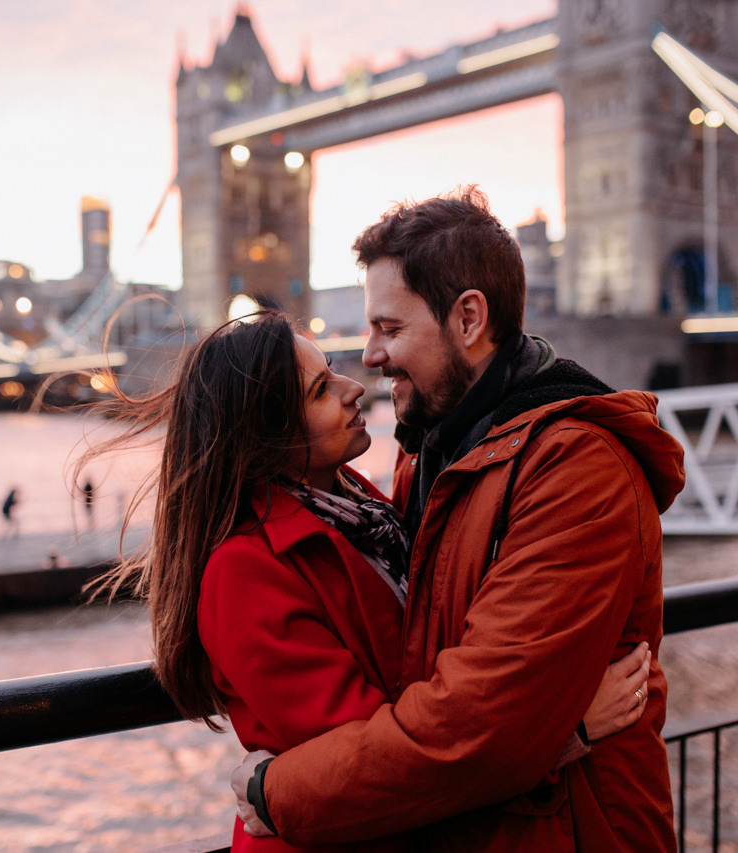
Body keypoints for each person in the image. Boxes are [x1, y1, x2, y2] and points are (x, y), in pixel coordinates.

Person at [76, 311, 653, 853]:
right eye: (320, 389)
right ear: (267, 436)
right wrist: (559, 731)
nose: (354, 387)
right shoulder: (242, 572)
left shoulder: (365, 507)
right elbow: (378, 764)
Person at [232, 187, 687, 851]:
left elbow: (481, 729)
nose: (371, 355)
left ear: (469, 318)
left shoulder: (578, 467)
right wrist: (563, 728)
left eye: (390, 328)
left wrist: (274, 791)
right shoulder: (434, 454)